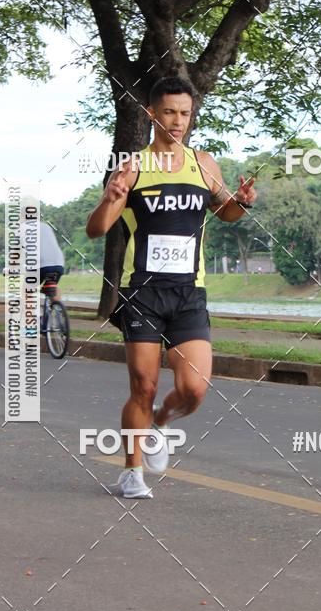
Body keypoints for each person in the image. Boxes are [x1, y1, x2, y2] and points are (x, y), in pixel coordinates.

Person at [86, 75, 257, 499]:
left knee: (194, 390)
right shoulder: (134, 166)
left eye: (184, 113)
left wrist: (243, 202)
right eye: (169, 112)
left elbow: (225, 213)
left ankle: (162, 422)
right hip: (143, 293)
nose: (177, 121)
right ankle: (131, 472)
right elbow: (96, 229)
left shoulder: (203, 163)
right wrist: (111, 197)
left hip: (188, 294)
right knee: (142, 386)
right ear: (152, 114)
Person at [40, 221, 65, 301]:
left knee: (27, 289)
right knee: (51, 286)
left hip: (41, 264)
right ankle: (58, 310)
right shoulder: (46, 226)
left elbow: (16, 253)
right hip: (58, 263)